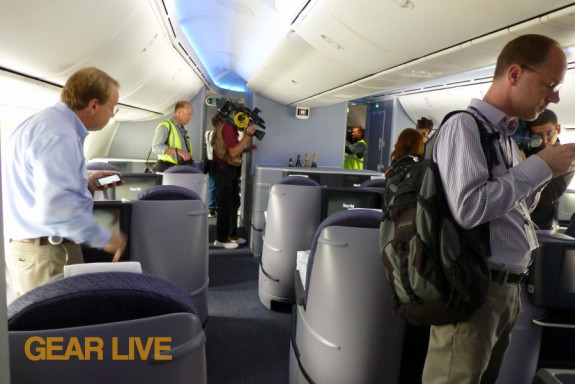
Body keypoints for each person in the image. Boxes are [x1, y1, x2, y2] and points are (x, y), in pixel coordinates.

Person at [423, 34, 575, 383]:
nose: (555, 96)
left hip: (506, 292)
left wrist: (547, 169)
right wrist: (541, 167)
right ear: (515, 74)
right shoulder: (464, 126)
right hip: (474, 291)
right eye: (550, 84)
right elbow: (470, 208)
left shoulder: (505, 136)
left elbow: (516, 206)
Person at [3, 67, 128, 296]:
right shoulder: (60, 135)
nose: (112, 115)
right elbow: (58, 209)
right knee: (54, 330)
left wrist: (87, 182)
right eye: (112, 108)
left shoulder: (41, 123)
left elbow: (37, 186)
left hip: (28, 250)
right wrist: (107, 238)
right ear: (93, 105)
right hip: (49, 254)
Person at [210, 114, 256, 249]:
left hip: (227, 168)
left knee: (234, 202)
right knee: (225, 205)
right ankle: (221, 238)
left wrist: (246, 148)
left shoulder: (227, 126)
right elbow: (232, 151)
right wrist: (247, 136)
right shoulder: (228, 127)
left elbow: (232, 148)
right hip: (223, 169)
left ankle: (231, 234)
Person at [524, 109, 575, 230]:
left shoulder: (565, 157)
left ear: (557, 129)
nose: (544, 141)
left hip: (539, 224)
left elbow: (549, 194)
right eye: (538, 136)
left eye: (549, 133)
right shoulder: (523, 151)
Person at [151, 101, 194, 172]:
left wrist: (187, 155)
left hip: (180, 168)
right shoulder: (165, 126)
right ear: (179, 112)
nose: (190, 117)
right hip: (168, 169)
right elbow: (156, 147)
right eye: (188, 114)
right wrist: (179, 151)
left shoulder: (182, 129)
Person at [204, 129, 218, 217]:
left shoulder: (207, 133)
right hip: (221, 161)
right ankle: (216, 207)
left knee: (212, 185)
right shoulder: (223, 133)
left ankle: (211, 208)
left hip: (211, 161)